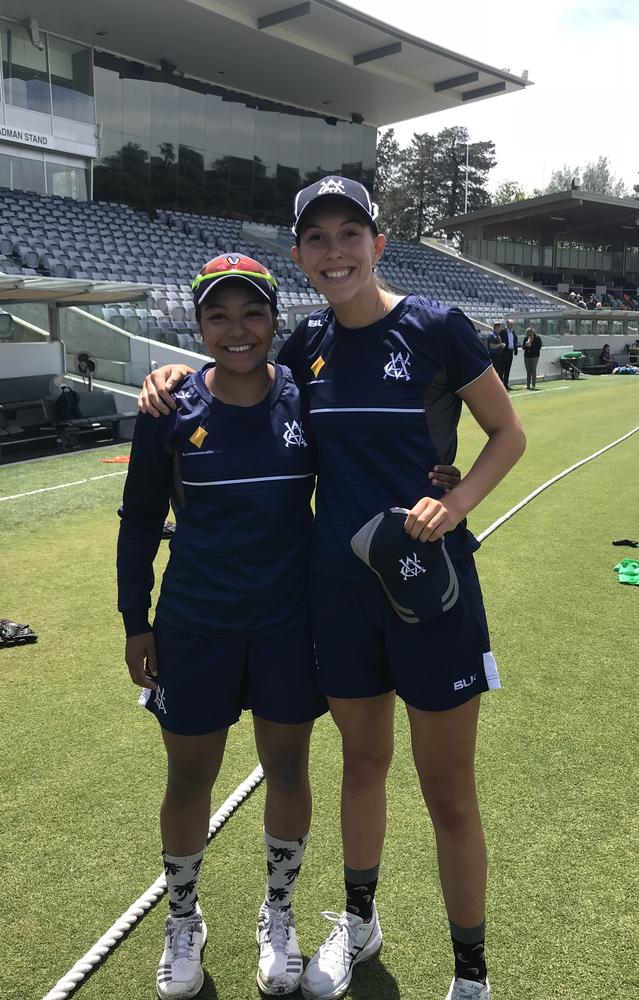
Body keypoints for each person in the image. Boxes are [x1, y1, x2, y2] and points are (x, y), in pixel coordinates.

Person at [140, 175, 526, 1000]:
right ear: (301, 257)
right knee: (361, 766)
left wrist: (455, 501)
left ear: (378, 244)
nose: (335, 249)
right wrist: (171, 378)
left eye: (350, 232)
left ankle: (471, 976)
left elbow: (507, 431)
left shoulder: (435, 326)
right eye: (317, 237)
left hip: (430, 592)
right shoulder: (304, 345)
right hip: (336, 597)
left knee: (450, 793)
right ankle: (359, 923)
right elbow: (236, 370)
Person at [117, 254, 328, 1000]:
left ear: (273, 319)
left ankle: (279, 912)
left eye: (251, 314)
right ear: (198, 325)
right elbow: (141, 519)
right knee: (189, 776)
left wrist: (438, 479)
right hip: (195, 624)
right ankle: (184, 918)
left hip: (286, 624)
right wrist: (134, 622)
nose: (236, 331)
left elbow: (366, 465)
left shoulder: (306, 400)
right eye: (218, 316)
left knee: (289, 770)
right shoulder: (169, 409)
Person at [499, 319, 519, 390]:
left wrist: (515, 349)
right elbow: (499, 340)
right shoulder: (502, 332)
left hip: (510, 352)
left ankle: (506, 384)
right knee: (502, 369)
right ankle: (500, 385)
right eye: (510, 324)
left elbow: (515, 340)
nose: (511, 326)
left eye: (512, 325)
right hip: (504, 352)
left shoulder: (513, 332)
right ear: (507, 324)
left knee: (508, 369)